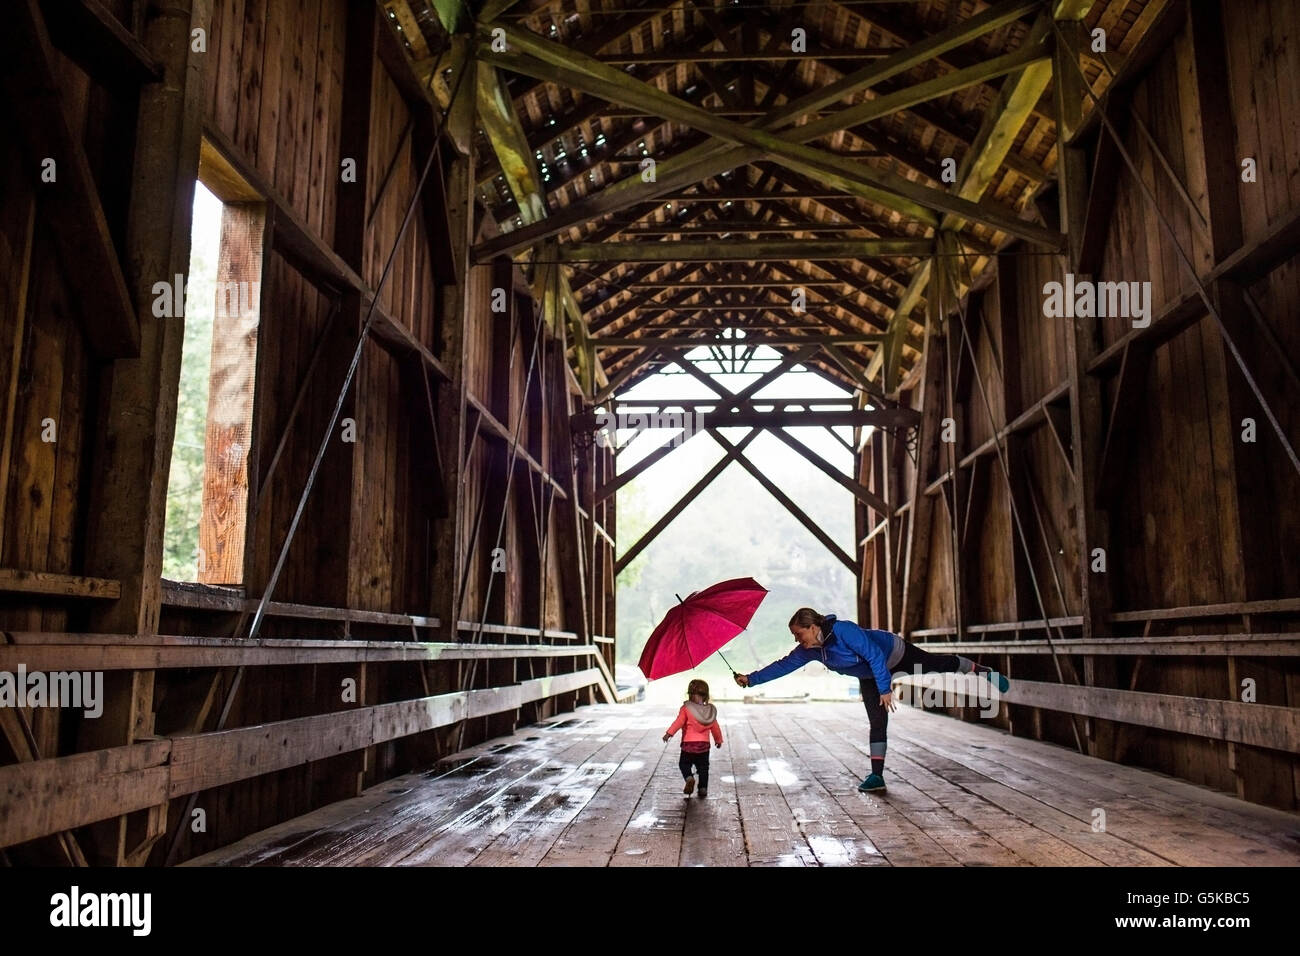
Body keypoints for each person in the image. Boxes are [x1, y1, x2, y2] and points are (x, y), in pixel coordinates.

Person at [733, 608, 1009, 793]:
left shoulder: (844, 630)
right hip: (868, 675)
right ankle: (877, 776)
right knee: (877, 721)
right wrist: (751, 679)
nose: (796, 639)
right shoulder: (811, 651)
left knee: (937, 664)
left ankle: (982, 671)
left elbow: (875, 655)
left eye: (798, 633)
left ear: (813, 626)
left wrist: (885, 688)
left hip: (895, 654)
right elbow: (783, 665)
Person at [663, 678, 724, 799]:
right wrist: (718, 740)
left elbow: (678, 722)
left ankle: (689, 778)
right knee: (703, 768)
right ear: (706, 695)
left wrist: (669, 733)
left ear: (690, 694)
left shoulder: (686, 708)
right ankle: (702, 789)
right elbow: (715, 727)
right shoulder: (710, 711)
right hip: (704, 746)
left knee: (684, 764)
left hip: (688, 745)